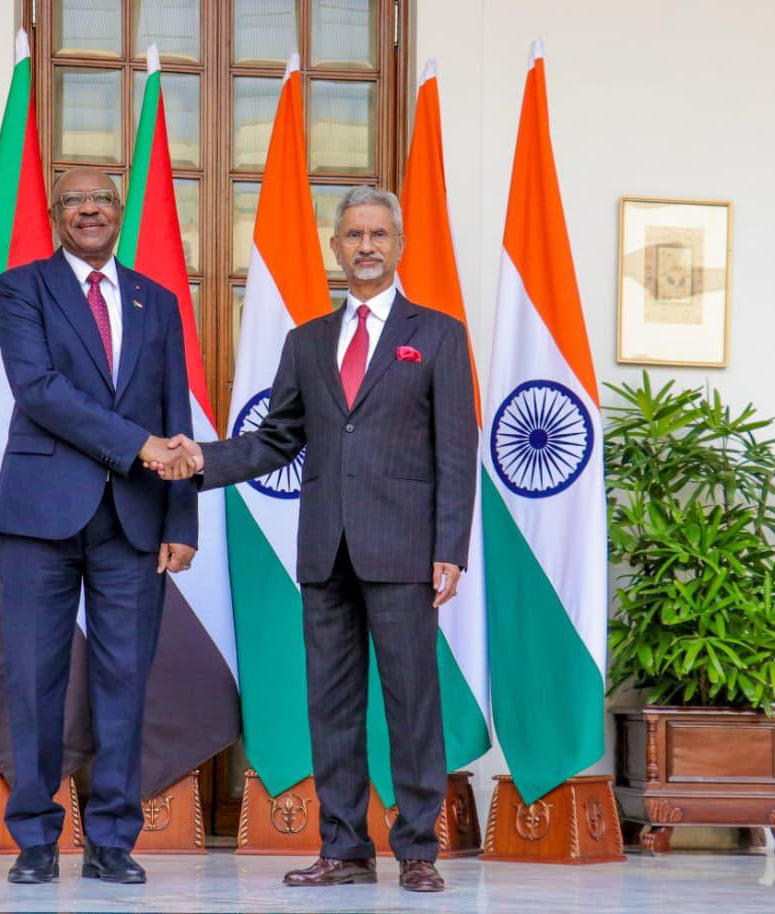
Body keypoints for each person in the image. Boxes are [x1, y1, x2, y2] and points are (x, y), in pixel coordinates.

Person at [155, 187, 476, 894]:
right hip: (325, 552)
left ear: (399, 244)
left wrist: (450, 546)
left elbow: (457, 450)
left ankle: (418, 851)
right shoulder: (306, 342)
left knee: (411, 705)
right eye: (354, 235)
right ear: (337, 248)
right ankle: (345, 849)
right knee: (330, 704)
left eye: (379, 234)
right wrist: (201, 459)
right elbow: (276, 439)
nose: (366, 246)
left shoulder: (441, 334)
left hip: (404, 553)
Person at [0, 167, 196, 885]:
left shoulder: (159, 301)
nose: (88, 210)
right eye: (74, 200)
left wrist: (182, 518)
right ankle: (36, 841)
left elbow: (177, 414)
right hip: (41, 516)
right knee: (33, 682)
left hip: (136, 520)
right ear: (55, 214)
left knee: (124, 684)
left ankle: (112, 840)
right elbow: (40, 391)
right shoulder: (21, 289)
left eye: (101, 200)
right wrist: (136, 445)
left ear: (120, 211)